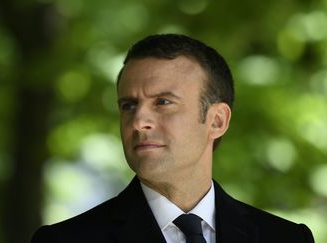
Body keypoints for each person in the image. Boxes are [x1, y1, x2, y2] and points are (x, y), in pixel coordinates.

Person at [31, 34, 315, 243]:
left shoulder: (288, 238)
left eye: (163, 102)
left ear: (217, 121)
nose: (139, 121)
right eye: (128, 105)